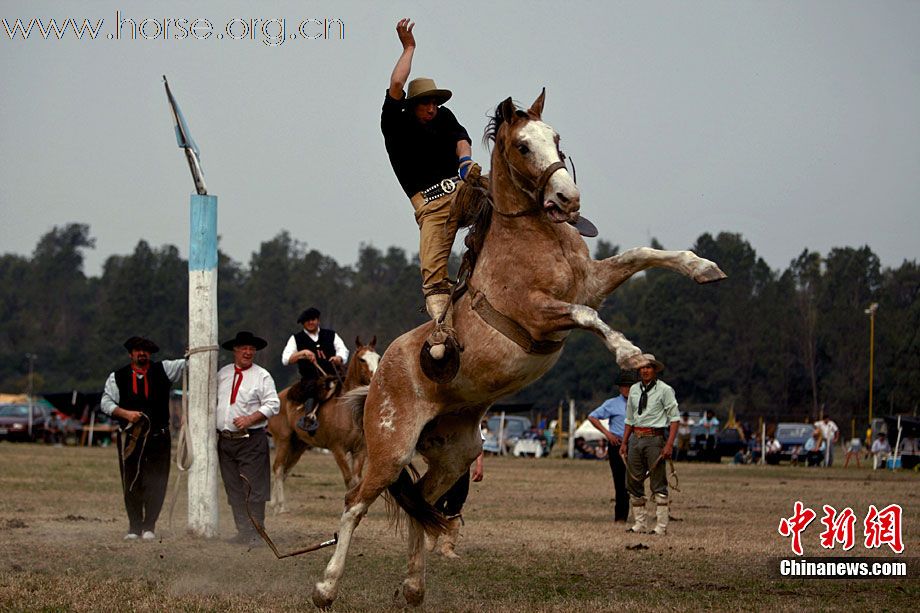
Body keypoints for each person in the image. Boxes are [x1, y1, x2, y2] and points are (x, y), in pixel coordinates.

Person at [381, 18, 480, 360]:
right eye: (426, 102)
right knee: (433, 275)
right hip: (431, 206)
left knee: (495, 188)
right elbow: (396, 82)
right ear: (412, 103)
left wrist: (466, 161)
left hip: (462, 190)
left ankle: (545, 210)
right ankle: (442, 329)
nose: (432, 107)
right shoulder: (395, 122)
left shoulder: (445, 117)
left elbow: (461, 139)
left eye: (435, 102)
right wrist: (409, 48)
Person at [101, 336, 185, 541]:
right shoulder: (117, 377)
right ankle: (134, 527)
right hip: (132, 438)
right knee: (131, 481)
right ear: (131, 354)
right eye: (138, 350)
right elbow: (105, 402)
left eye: (145, 351)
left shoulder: (164, 369)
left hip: (159, 438)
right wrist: (125, 414)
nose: (142, 354)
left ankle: (150, 526)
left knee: (157, 482)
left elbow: (190, 363)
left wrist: (193, 350)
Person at [217, 331, 281, 546]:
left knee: (253, 487)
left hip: (251, 439)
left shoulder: (261, 375)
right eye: (244, 348)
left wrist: (251, 418)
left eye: (251, 348)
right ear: (235, 350)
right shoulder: (223, 374)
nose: (248, 352)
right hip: (225, 441)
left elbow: (273, 404)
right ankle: (243, 531)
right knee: (233, 488)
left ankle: (256, 532)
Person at [619, 354, 680, 536]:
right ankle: (640, 523)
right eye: (642, 367)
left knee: (658, 481)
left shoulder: (665, 390)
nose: (645, 370)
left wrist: (669, 445)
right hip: (635, 438)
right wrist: (624, 442)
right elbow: (629, 418)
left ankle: (661, 526)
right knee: (633, 481)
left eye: (648, 367)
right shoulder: (634, 390)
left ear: (654, 369)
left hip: (655, 438)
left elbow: (674, 419)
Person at [281, 307, 348, 433]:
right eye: (307, 321)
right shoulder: (296, 339)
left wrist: (338, 358)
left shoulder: (331, 335)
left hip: (333, 375)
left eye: (313, 320)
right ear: (303, 324)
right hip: (310, 378)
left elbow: (343, 350)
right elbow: (285, 359)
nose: (310, 323)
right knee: (311, 388)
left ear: (318, 320)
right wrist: (302, 353)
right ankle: (309, 419)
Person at [587, 370, 637, 523]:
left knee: (636, 482)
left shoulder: (642, 403)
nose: (626, 389)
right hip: (618, 444)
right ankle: (620, 517)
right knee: (620, 482)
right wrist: (607, 434)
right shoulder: (612, 404)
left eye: (629, 386)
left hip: (636, 445)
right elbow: (592, 416)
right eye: (624, 386)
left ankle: (640, 517)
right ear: (619, 388)